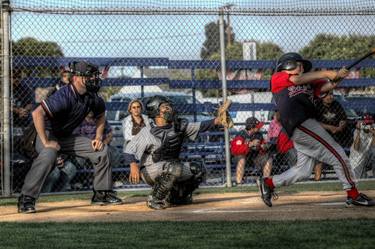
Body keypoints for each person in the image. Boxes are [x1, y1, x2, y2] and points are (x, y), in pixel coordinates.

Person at [258, 52, 375, 207]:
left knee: (303, 171)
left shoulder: (309, 84)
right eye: (298, 64)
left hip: (305, 126)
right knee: (338, 155)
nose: (301, 68)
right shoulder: (278, 78)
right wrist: (327, 72)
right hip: (301, 123)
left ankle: (268, 183)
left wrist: (339, 76)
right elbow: (297, 79)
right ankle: (353, 194)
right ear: (287, 65)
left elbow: (329, 85)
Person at [17, 61, 122, 214]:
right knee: (49, 154)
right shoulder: (64, 94)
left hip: (65, 136)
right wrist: (46, 142)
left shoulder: (92, 96)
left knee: (101, 150)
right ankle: (27, 198)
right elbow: (37, 113)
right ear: (77, 78)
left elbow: (100, 115)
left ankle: (101, 193)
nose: (94, 79)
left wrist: (98, 137)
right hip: (45, 133)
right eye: (90, 76)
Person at [124, 95, 231, 210]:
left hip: (171, 167)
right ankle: (155, 198)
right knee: (174, 167)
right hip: (150, 170)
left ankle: (178, 197)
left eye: (168, 106)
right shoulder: (148, 131)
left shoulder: (178, 126)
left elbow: (201, 126)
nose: (169, 109)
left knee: (198, 169)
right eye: (165, 107)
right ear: (156, 111)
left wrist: (218, 120)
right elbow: (128, 150)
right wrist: (133, 165)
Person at [231, 117, 273, 185]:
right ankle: (239, 182)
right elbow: (235, 150)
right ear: (251, 127)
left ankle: (266, 182)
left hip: (254, 157)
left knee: (268, 159)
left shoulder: (258, 134)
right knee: (242, 159)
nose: (259, 128)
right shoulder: (241, 135)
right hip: (240, 158)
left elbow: (262, 145)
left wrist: (263, 147)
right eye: (257, 127)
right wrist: (250, 144)